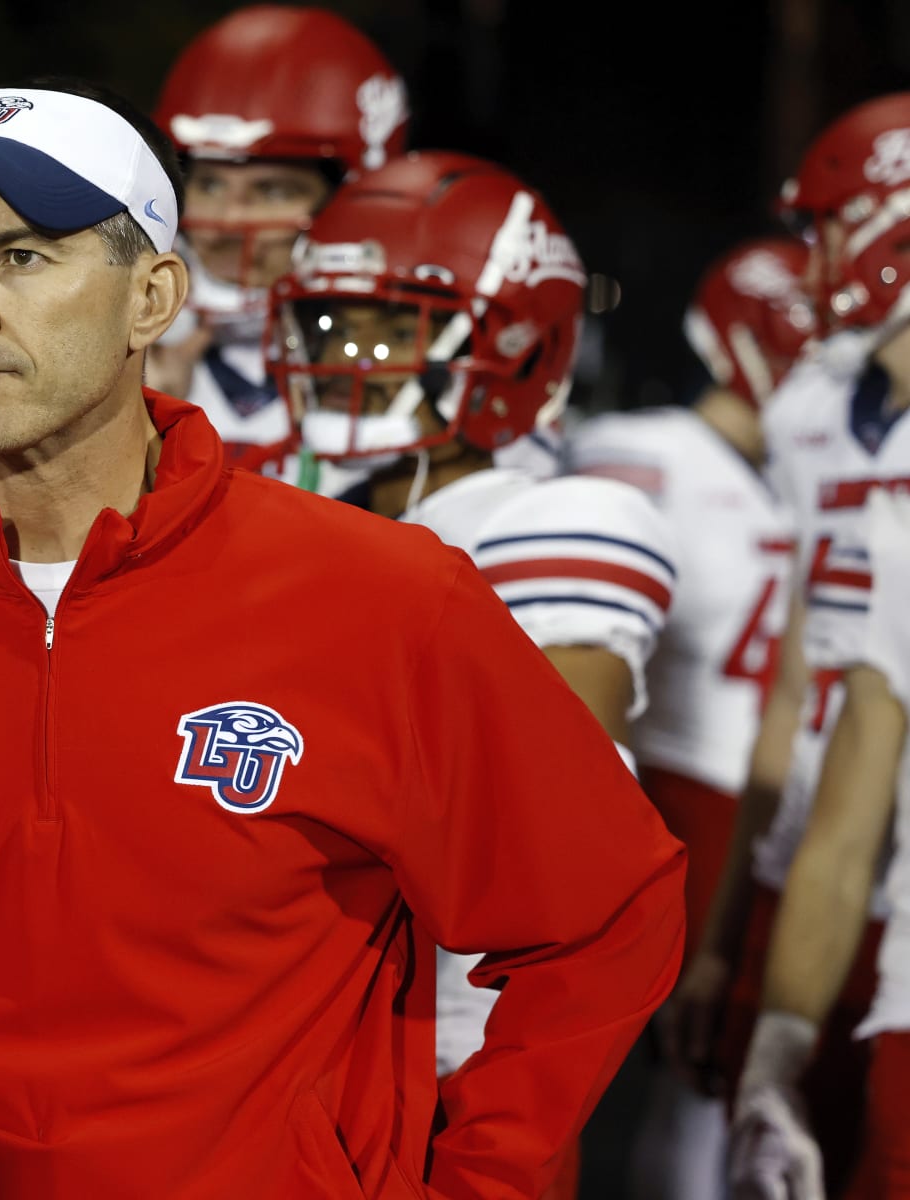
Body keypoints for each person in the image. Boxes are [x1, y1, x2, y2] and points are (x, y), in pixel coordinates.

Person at [0, 81, 685, 1200]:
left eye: (23, 259)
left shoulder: (383, 597)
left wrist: (478, 1181)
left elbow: (604, 918)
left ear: (152, 297)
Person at [267, 149, 680, 1200]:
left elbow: (553, 847)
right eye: (324, 324)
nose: (340, 355)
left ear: (509, 343)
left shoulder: (558, 521)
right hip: (278, 1065)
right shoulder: (291, 518)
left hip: (450, 1061)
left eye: (385, 328)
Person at [566, 237, 811, 1197]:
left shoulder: (812, 463)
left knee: (711, 1069)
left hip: (762, 799)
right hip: (669, 779)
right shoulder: (647, 452)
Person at [723, 91, 910, 1200]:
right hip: (848, 888)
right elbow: (818, 700)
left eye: (832, 226)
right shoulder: (815, 406)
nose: (814, 258)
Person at [148, 5, 408, 474]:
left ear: (355, 198)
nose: (227, 220)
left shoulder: (409, 364)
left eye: (272, 191)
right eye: (208, 185)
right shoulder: (123, 355)